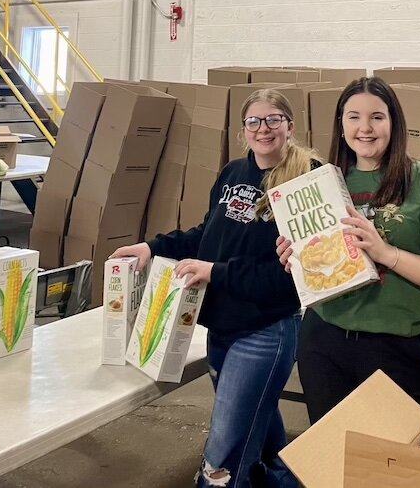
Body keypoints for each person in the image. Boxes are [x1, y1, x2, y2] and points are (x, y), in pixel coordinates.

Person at [111, 89, 318, 488]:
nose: (264, 128)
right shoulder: (232, 173)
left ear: (290, 125)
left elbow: (288, 277)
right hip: (222, 328)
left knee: (224, 453)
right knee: (260, 435)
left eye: (274, 119)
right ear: (243, 131)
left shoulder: (306, 178)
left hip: (265, 330)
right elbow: (208, 236)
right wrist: (152, 247)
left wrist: (216, 272)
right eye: (254, 121)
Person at [277, 76, 420, 423]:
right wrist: (296, 255)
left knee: (394, 464)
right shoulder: (324, 181)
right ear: (340, 124)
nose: (364, 128)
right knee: (330, 461)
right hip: (324, 340)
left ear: (393, 123)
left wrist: (386, 254)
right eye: (353, 117)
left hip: (394, 347)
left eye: (377, 117)